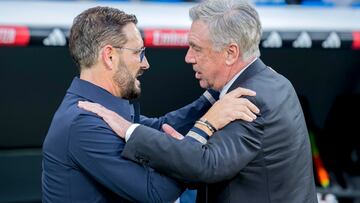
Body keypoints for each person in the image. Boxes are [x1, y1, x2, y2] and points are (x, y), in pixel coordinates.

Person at [78, 0, 318, 202]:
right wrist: (183, 144)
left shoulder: (252, 98)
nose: (188, 57)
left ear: (230, 53)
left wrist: (129, 130)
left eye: (196, 48)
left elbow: (207, 165)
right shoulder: (270, 81)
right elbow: (205, 149)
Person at [41, 6, 259, 203]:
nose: (146, 63)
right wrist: (207, 125)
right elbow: (157, 193)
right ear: (109, 56)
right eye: (138, 53)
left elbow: (161, 127)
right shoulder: (83, 123)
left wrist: (216, 92)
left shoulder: (100, 109)